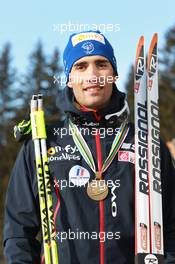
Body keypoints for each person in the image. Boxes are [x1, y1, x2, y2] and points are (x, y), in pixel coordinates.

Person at [3, 30, 175, 264]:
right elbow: (18, 231)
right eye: (81, 66)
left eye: (101, 64)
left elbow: (171, 225)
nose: (92, 75)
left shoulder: (145, 141)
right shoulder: (43, 143)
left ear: (113, 74)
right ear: (69, 78)